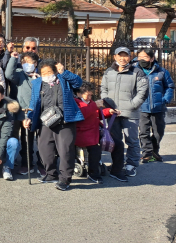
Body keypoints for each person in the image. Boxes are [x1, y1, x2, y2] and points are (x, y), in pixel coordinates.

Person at [24, 59, 83, 191]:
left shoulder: (63, 78)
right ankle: (51, 174)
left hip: (65, 120)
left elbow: (78, 82)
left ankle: (65, 179)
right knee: (44, 148)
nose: (46, 75)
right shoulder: (37, 83)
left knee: (65, 150)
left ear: (55, 71)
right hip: (46, 120)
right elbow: (34, 102)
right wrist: (29, 117)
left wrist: (64, 72)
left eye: (49, 72)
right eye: (43, 73)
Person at [101, 46, 149, 181]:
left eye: (125, 55)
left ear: (129, 57)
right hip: (112, 113)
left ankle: (131, 165)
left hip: (130, 113)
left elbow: (143, 92)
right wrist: (107, 104)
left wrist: (132, 105)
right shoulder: (109, 72)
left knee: (132, 140)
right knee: (115, 141)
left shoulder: (137, 72)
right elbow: (103, 89)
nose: (122, 58)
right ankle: (117, 165)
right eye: (119, 55)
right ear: (115, 57)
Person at [5, 51, 44, 176]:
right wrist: (13, 59)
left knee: (42, 139)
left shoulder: (41, 75)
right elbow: (8, 74)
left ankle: (42, 163)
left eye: (30, 62)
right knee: (26, 139)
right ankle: (27, 163)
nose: (27, 64)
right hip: (24, 112)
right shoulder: (20, 74)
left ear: (36, 63)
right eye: (24, 62)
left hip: (40, 111)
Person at [136, 48, 173, 163]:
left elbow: (169, 87)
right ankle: (146, 153)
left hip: (158, 107)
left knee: (159, 132)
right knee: (143, 132)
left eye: (145, 57)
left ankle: (154, 151)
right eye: (140, 57)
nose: (142, 59)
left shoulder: (162, 72)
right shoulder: (134, 71)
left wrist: (166, 99)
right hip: (141, 108)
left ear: (152, 59)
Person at [74, 82, 111, 184]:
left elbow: (98, 113)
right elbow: (82, 114)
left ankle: (117, 169)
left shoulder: (91, 103)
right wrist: (95, 105)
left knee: (118, 143)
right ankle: (93, 173)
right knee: (95, 148)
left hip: (94, 131)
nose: (90, 97)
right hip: (82, 133)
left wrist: (109, 111)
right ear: (79, 94)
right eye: (88, 95)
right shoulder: (75, 103)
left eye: (91, 95)